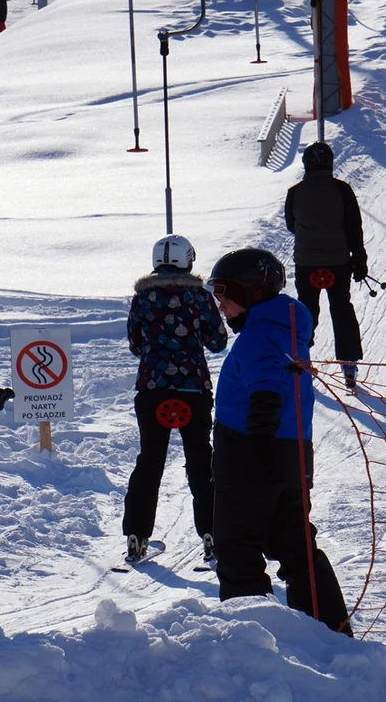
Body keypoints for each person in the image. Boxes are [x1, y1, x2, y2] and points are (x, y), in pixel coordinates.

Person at [205, 248, 352, 636]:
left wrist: (256, 442)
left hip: (250, 453)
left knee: (237, 546)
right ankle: (332, 631)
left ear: (253, 291)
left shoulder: (259, 335)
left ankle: (247, 639)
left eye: (225, 293)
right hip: (291, 456)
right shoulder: (286, 329)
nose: (221, 304)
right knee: (295, 545)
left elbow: (266, 385)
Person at [124, 235, 228, 563]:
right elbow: (217, 342)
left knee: (149, 460)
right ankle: (212, 533)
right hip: (193, 388)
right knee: (200, 458)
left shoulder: (142, 296)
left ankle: (137, 534)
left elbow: (135, 343)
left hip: (152, 389)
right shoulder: (199, 296)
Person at [284, 141, 367, 389]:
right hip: (338, 262)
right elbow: (353, 227)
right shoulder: (342, 190)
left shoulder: (295, 192)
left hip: (307, 263)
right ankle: (349, 364)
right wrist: (359, 259)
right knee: (341, 308)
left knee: (306, 310)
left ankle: (300, 357)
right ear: (330, 163)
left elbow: (291, 225)